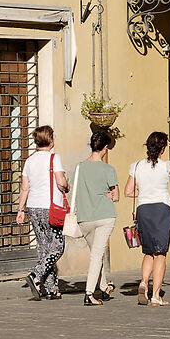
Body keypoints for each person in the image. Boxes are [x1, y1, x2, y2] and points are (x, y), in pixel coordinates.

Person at [128, 130, 170, 305]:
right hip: (161, 210)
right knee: (160, 253)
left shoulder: (136, 166)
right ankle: (155, 296)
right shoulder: (166, 166)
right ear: (162, 149)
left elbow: (128, 191)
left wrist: (144, 191)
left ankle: (143, 282)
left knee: (149, 251)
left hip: (143, 210)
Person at [71, 125, 122, 307]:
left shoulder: (79, 168)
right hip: (105, 216)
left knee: (96, 253)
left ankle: (104, 287)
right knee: (96, 255)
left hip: (85, 217)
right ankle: (89, 293)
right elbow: (116, 196)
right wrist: (108, 194)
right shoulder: (108, 169)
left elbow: (75, 191)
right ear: (105, 148)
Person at [20, 124, 68, 300]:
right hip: (50, 208)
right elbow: (61, 183)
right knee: (58, 246)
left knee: (43, 247)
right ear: (51, 140)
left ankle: (51, 289)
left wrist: (20, 209)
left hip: (33, 207)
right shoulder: (54, 158)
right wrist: (67, 185)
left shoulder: (29, 161)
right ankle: (35, 274)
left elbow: (25, 188)